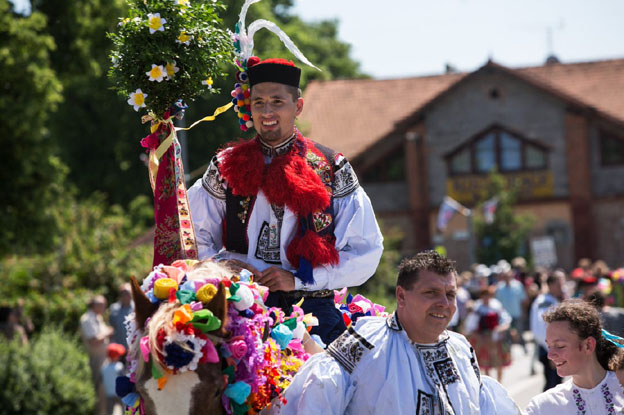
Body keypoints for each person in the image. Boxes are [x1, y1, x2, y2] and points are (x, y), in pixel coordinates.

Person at [188, 58, 384, 345]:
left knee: (333, 385)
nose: (267, 111)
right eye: (258, 102)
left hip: (312, 311)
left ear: (298, 107)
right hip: (238, 309)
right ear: (249, 107)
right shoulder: (225, 166)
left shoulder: (332, 166)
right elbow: (191, 234)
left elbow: (366, 252)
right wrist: (221, 266)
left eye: (277, 101)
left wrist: (299, 280)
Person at [268, 251, 522, 414]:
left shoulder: (460, 348)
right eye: (431, 293)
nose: (444, 303)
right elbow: (317, 400)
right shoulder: (366, 343)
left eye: (450, 294)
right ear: (401, 296)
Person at [525, 299, 624, 414]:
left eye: (560, 346)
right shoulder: (543, 406)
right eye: (549, 346)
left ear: (588, 345)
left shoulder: (621, 387)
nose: (550, 355)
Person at [465, 285, 512, 382]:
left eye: (488, 295)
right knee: (486, 363)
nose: (486, 298)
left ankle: (500, 382)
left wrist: (502, 328)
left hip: (496, 336)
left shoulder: (496, 305)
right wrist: (476, 335)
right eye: (484, 295)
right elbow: (471, 324)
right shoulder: (477, 308)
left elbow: (505, 318)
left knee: (498, 362)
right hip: (483, 338)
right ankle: (489, 383)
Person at [530, 270, 566, 391]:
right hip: (549, 350)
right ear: (550, 285)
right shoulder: (545, 302)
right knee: (552, 387)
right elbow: (541, 329)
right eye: (559, 285)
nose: (562, 288)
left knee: (558, 385)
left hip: (553, 349)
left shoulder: (553, 299)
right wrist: (552, 351)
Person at [80, 294, 114, 415]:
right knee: (99, 391)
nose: (104, 307)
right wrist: (108, 333)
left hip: (104, 358)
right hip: (97, 359)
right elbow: (93, 340)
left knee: (104, 391)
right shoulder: (87, 319)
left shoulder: (97, 317)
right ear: (94, 305)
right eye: (101, 304)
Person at [495, 261, 527, 352]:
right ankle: (509, 352)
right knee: (507, 335)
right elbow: (497, 303)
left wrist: (524, 312)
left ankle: (522, 348)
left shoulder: (518, 285)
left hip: (517, 314)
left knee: (519, 332)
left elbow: (523, 300)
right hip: (505, 316)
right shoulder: (499, 287)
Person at [100, 343, 126, 415]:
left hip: (109, 393)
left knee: (110, 411)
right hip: (119, 393)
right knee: (124, 409)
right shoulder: (119, 366)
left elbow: (102, 381)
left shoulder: (104, 368)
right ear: (116, 356)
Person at [108, 283, 134, 349]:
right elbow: (111, 326)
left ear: (132, 294)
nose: (125, 296)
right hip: (119, 347)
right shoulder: (113, 308)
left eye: (127, 293)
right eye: (123, 294)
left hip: (133, 347)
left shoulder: (137, 308)